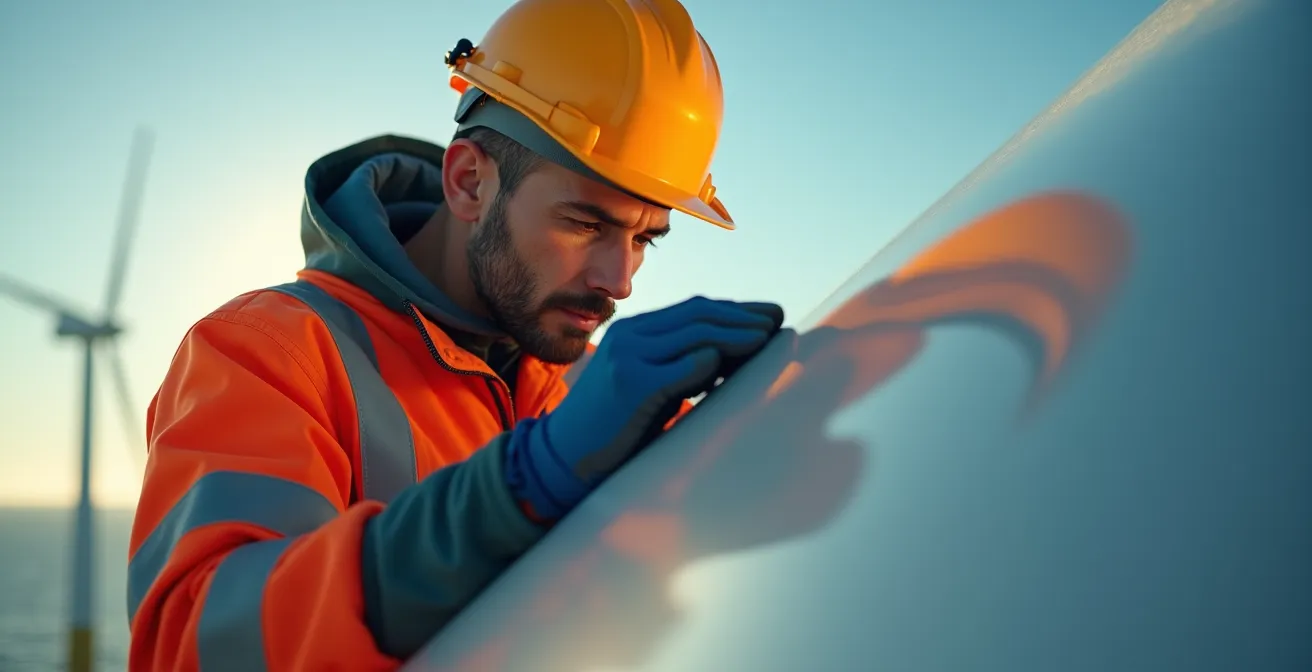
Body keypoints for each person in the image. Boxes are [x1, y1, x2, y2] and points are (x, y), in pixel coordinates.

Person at [124, 0, 784, 669]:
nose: (621, 281)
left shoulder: (595, 388)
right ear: (469, 182)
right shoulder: (272, 350)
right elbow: (196, 646)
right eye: (586, 224)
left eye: (645, 239)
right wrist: (516, 489)